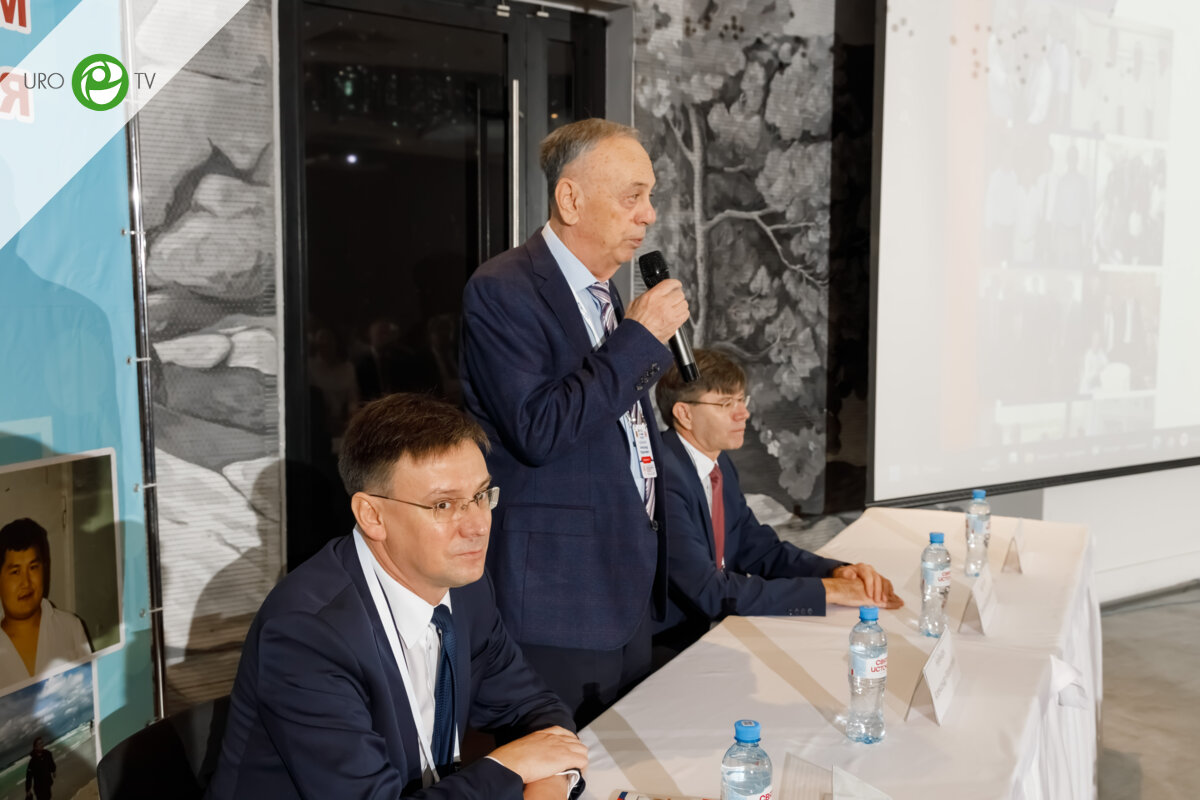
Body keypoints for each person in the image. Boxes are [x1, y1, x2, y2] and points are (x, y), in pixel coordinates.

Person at [209, 394, 587, 800]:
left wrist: (550, 784)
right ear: (372, 516)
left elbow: (534, 708)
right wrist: (509, 767)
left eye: (480, 496)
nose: (477, 525)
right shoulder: (306, 635)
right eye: (444, 505)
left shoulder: (467, 588)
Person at [460, 118, 690, 725]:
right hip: (560, 598)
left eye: (650, 196)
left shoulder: (607, 295)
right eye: (633, 196)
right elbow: (538, 429)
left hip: (628, 581)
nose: (649, 215)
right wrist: (639, 337)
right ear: (570, 198)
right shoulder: (504, 289)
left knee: (624, 759)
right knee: (563, 764)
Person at [653, 350, 902, 656]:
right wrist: (828, 592)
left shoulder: (719, 464)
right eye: (726, 404)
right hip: (667, 648)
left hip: (711, 634)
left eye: (742, 400)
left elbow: (757, 548)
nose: (743, 414)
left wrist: (835, 572)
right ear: (684, 414)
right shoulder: (662, 478)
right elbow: (710, 592)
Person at [0, 519, 92, 691]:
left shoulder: (71, 627)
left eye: (33, 567)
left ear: (45, 568)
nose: (26, 582)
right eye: (15, 572)